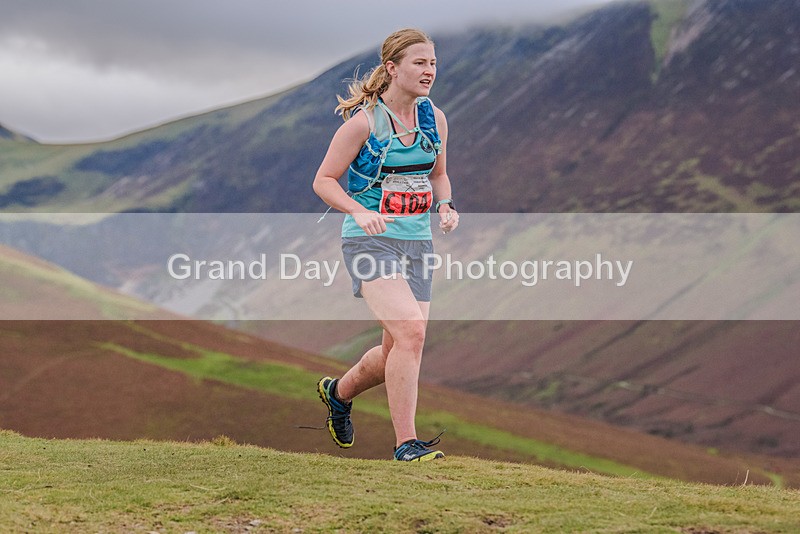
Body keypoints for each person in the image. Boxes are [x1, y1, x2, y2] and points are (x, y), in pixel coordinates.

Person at [312, 28, 458, 462]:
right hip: (369, 243)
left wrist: (447, 205)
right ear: (393, 68)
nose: (429, 71)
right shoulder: (364, 123)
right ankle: (406, 444)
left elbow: (438, 175)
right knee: (411, 331)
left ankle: (339, 393)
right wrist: (358, 211)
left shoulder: (435, 119)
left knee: (399, 345)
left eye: (432, 63)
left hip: (417, 245)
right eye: (419, 63)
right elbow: (323, 181)